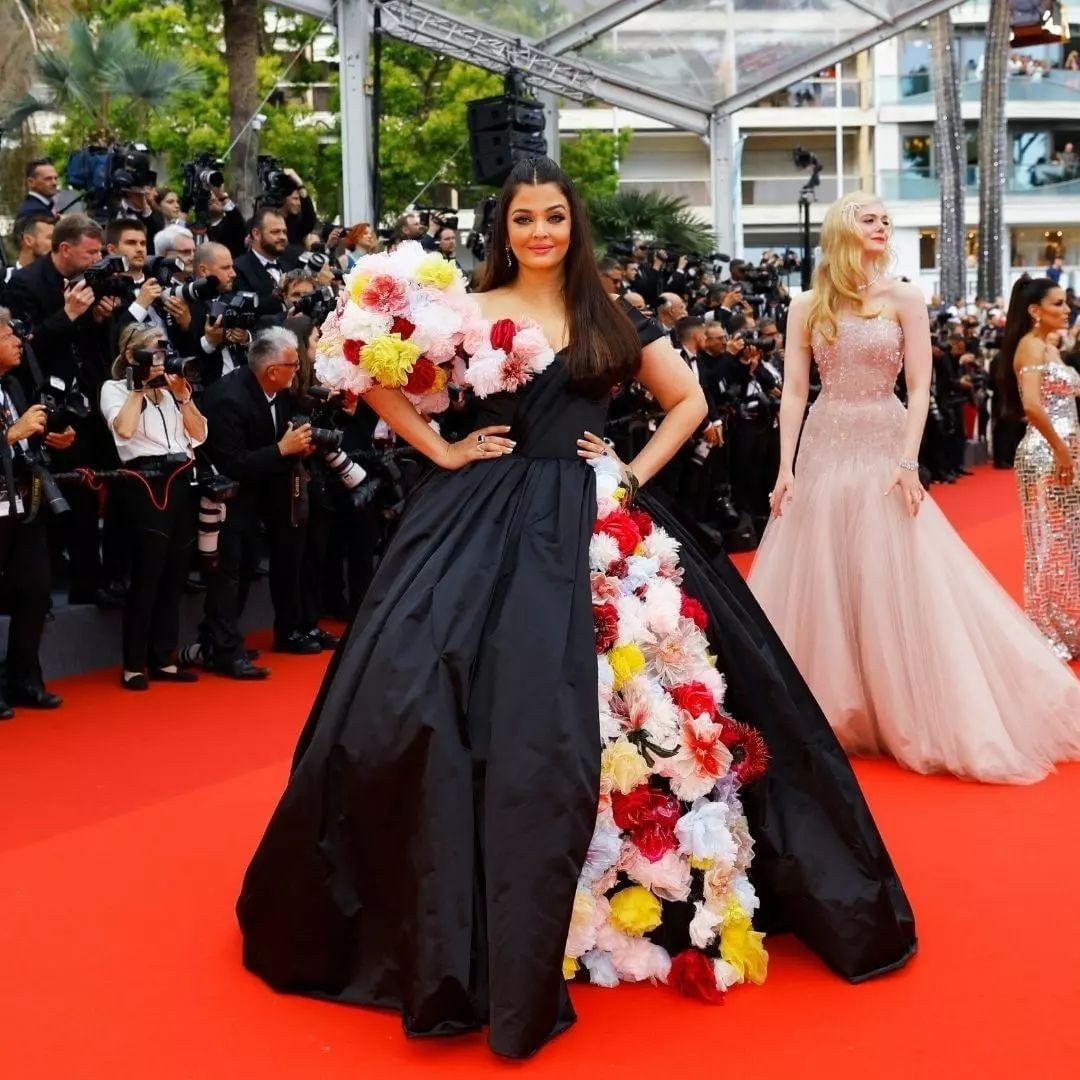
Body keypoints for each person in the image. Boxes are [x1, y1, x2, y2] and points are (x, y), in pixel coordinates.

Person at [236, 159, 915, 1059]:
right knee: (435, 688)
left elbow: (689, 400)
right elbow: (364, 370)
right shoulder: (462, 308)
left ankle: (650, 875)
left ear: (573, 223)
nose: (542, 232)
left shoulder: (610, 308)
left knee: (668, 692)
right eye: (525, 219)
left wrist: (628, 471)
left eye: (555, 216)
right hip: (479, 517)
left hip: (594, 519)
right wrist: (439, 450)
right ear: (503, 228)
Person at [749, 191, 1080, 784]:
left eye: (885, 219)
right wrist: (785, 468)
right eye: (868, 217)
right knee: (822, 574)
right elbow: (795, 391)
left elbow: (921, 388)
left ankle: (900, 705)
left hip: (881, 439)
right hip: (825, 442)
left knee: (891, 572)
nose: (881, 226)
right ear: (842, 228)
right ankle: (829, 709)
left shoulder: (904, 296)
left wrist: (907, 461)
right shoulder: (805, 304)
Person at [195, 327, 318, 678]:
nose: (299, 370)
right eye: (294, 365)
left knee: (247, 567)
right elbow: (231, 463)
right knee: (231, 572)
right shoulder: (228, 399)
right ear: (273, 371)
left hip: (263, 494)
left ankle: (224, 641)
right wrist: (282, 449)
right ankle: (222, 648)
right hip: (228, 497)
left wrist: (295, 447)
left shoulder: (279, 393)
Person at [100, 325, 207, 689]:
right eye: (154, 352)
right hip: (144, 484)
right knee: (147, 574)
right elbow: (125, 431)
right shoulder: (113, 389)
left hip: (180, 481)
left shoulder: (173, 389)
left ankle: (164, 657)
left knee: (175, 571)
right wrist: (138, 388)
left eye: (165, 350)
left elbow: (199, 435)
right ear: (133, 355)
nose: (162, 359)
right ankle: (133, 664)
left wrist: (184, 398)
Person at [998, 276, 1080, 659]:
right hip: (1045, 457)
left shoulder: (1047, 346)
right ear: (1035, 311)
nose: (1066, 310)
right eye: (1058, 304)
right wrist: (1062, 452)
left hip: (1062, 455)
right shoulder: (1029, 348)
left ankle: (1067, 626)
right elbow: (1032, 406)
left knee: (1067, 545)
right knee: (1047, 546)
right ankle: (1046, 633)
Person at [0, 309, 67, 717]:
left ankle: (24, 678)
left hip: (24, 507)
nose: (17, 342)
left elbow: (24, 440)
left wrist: (46, 439)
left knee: (36, 591)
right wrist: (12, 435)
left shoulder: (11, 385)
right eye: (8, 336)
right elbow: (12, 434)